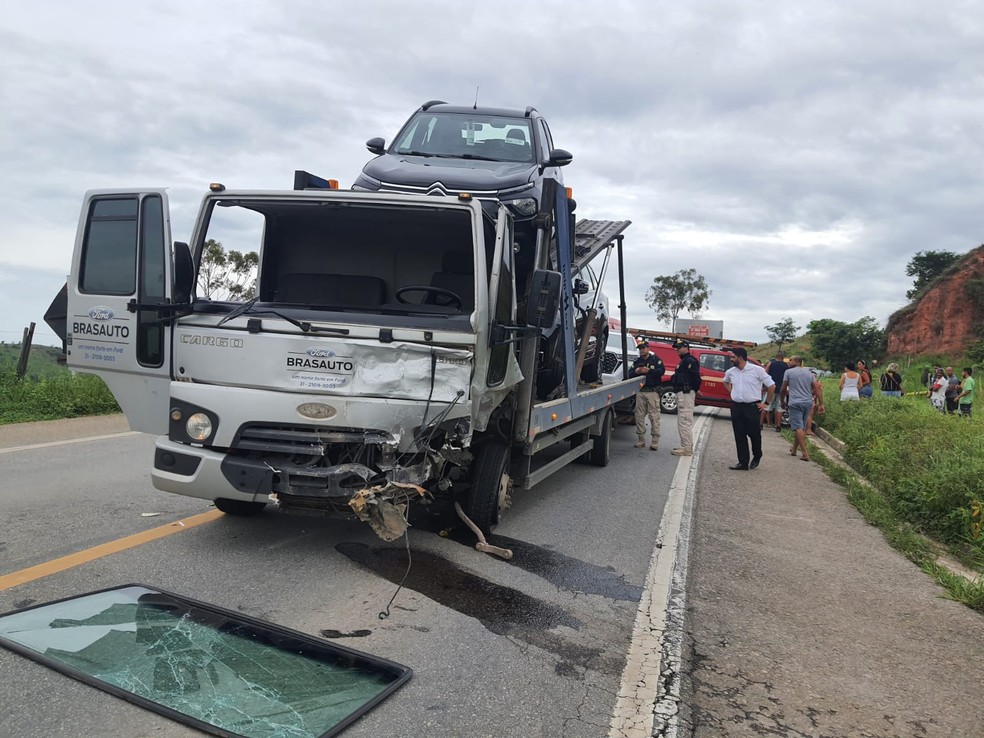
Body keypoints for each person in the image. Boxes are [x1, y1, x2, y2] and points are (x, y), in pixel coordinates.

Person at [723, 347, 775, 470]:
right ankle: (743, 462)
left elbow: (772, 386)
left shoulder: (757, 370)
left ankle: (757, 455)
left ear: (740, 357)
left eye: (733, 357)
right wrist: (732, 392)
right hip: (736, 407)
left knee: (754, 434)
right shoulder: (731, 372)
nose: (731, 359)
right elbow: (725, 381)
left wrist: (766, 403)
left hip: (752, 407)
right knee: (739, 435)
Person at [781, 356, 825, 462]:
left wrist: (782, 401)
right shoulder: (809, 373)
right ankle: (794, 449)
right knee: (800, 426)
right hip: (808, 403)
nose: (788, 362)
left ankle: (805, 453)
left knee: (798, 427)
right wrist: (821, 403)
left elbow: (783, 388)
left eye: (790, 360)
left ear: (797, 362)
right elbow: (817, 388)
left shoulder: (788, 372)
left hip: (795, 402)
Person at [632, 338, 665, 449]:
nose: (641, 350)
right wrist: (636, 371)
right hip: (640, 392)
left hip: (652, 392)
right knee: (639, 416)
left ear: (648, 348)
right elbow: (629, 374)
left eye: (643, 348)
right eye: (640, 348)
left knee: (654, 417)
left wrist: (649, 371)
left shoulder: (656, 360)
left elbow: (661, 372)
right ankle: (641, 440)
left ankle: (655, 441)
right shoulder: (637, 361)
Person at [671, 339, 701, 456]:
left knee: (684, 420)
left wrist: (695, 390)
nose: (677, 350)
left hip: (686, 393)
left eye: (679, 347)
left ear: (686, 348)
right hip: (683, 393)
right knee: (683, 420)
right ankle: (686, 445)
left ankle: (687, 448)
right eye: (676, 348)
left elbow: (696, 378)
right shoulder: (684, 361)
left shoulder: (689, 361)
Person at [763, 352, 788, 432]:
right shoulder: (786, 366)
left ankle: (760, 424)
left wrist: (764, 386)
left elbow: (765, 374)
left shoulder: (771, 364)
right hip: (781, 390)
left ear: (775, 357)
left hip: (771, 388)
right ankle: (778, 426)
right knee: (779, 409)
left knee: (765, 406)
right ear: (783, 357)